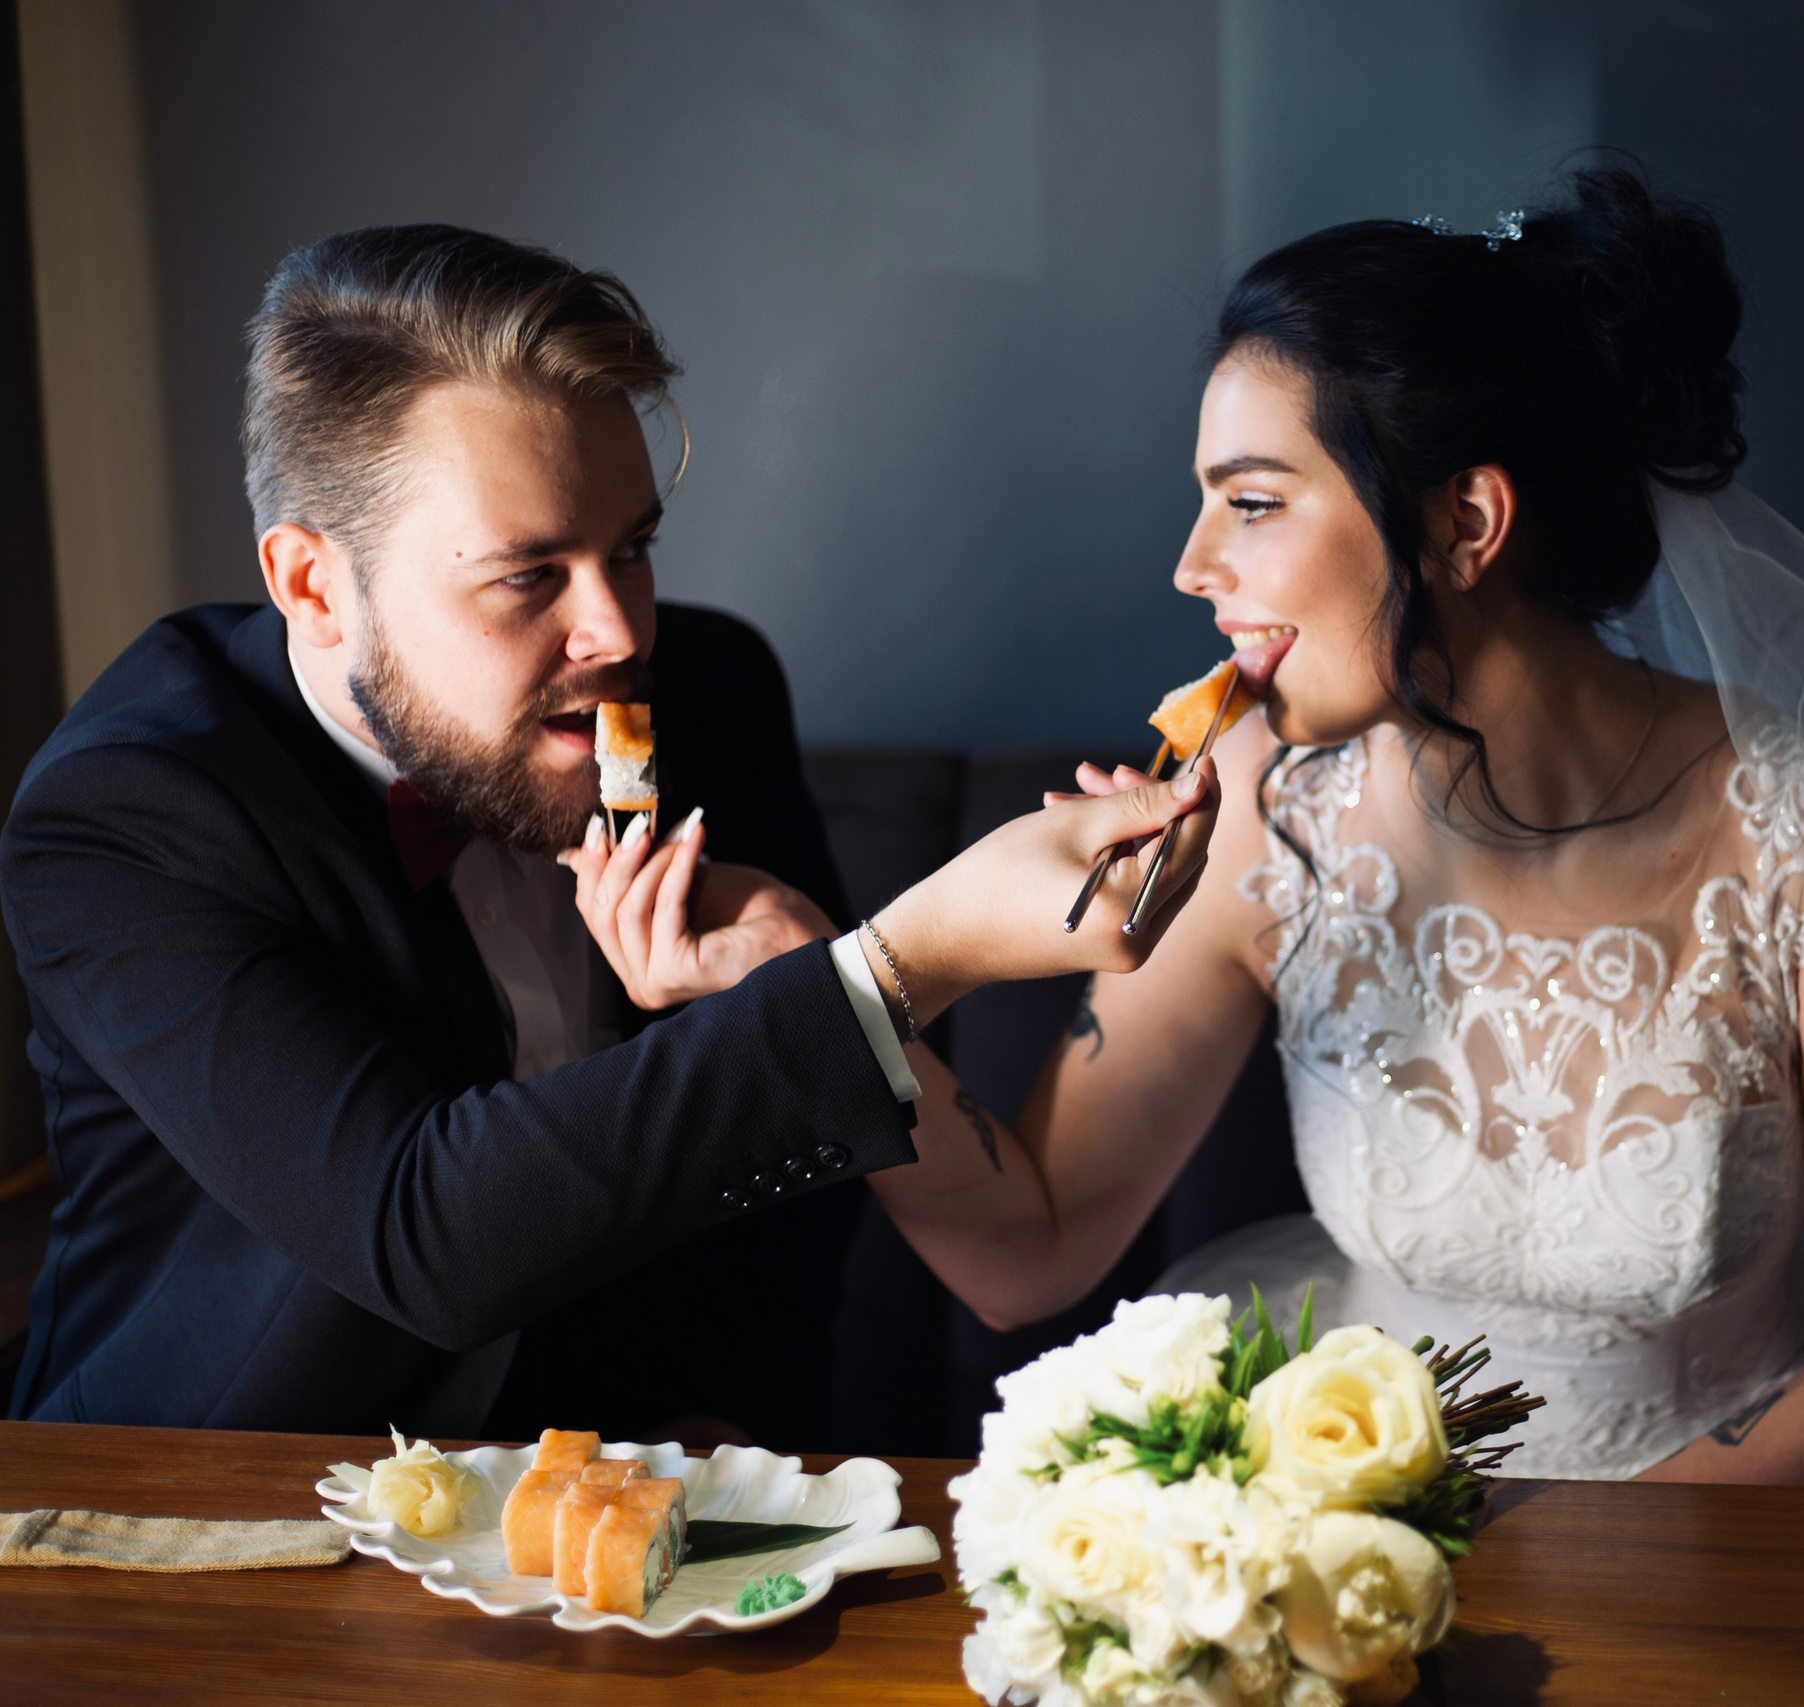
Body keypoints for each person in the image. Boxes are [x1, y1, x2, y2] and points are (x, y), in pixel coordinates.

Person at [718, 171, 1804, 1702]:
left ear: (1464, 523)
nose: (1192, 564)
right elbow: (1024, 1245)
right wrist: (829, 989)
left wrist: (1513, 1567)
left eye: (1251, 500)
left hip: (1753, 1535)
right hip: (1344, 1538)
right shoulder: (1265, 805)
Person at [0, 225, 1222, 1445]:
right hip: (209, 1519)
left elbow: (790, 1204)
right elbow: (424, 1234)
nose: (618, 632)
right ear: (313, 586)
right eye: (529, 577)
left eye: (631, 547)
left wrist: (745, 1438)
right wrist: (904, 957)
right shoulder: (126, 819)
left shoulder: (716, 690)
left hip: (638, 1501)